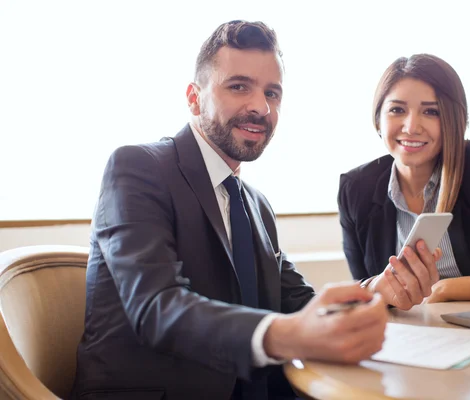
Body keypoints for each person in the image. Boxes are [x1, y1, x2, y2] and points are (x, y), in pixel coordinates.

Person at [71, 20, 388, 400]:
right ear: (194, 97)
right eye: (239, 86)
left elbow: (301, 305)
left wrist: (377, 292)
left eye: (273, 93)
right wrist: (285, 335)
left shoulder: (256, 204)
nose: (260, 107)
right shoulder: (137, 168)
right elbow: (156, 307)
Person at [337, 54, 470, 311]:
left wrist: (449, 289)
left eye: (431, 111)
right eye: (397, 110)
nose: (411, 126)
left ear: (452, 121)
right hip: (409, 335)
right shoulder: (356, 188)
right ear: (378, 118)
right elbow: (365, 287)